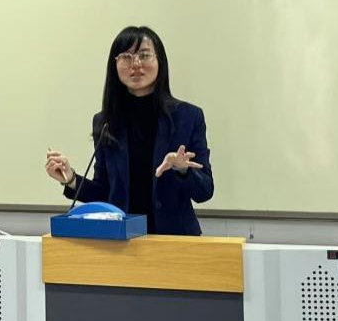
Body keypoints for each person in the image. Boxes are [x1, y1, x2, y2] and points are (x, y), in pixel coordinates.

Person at [45, 26, 214, 235]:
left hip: (175, 240)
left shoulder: (188, 117)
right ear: (115, 65)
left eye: (144, 55)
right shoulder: (105, 122)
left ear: (160, 61)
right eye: (126, 57)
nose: (135, 64)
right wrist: (70, 179)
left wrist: (183, 170)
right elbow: (105, 193)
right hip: (121, 241)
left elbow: (205, 191)